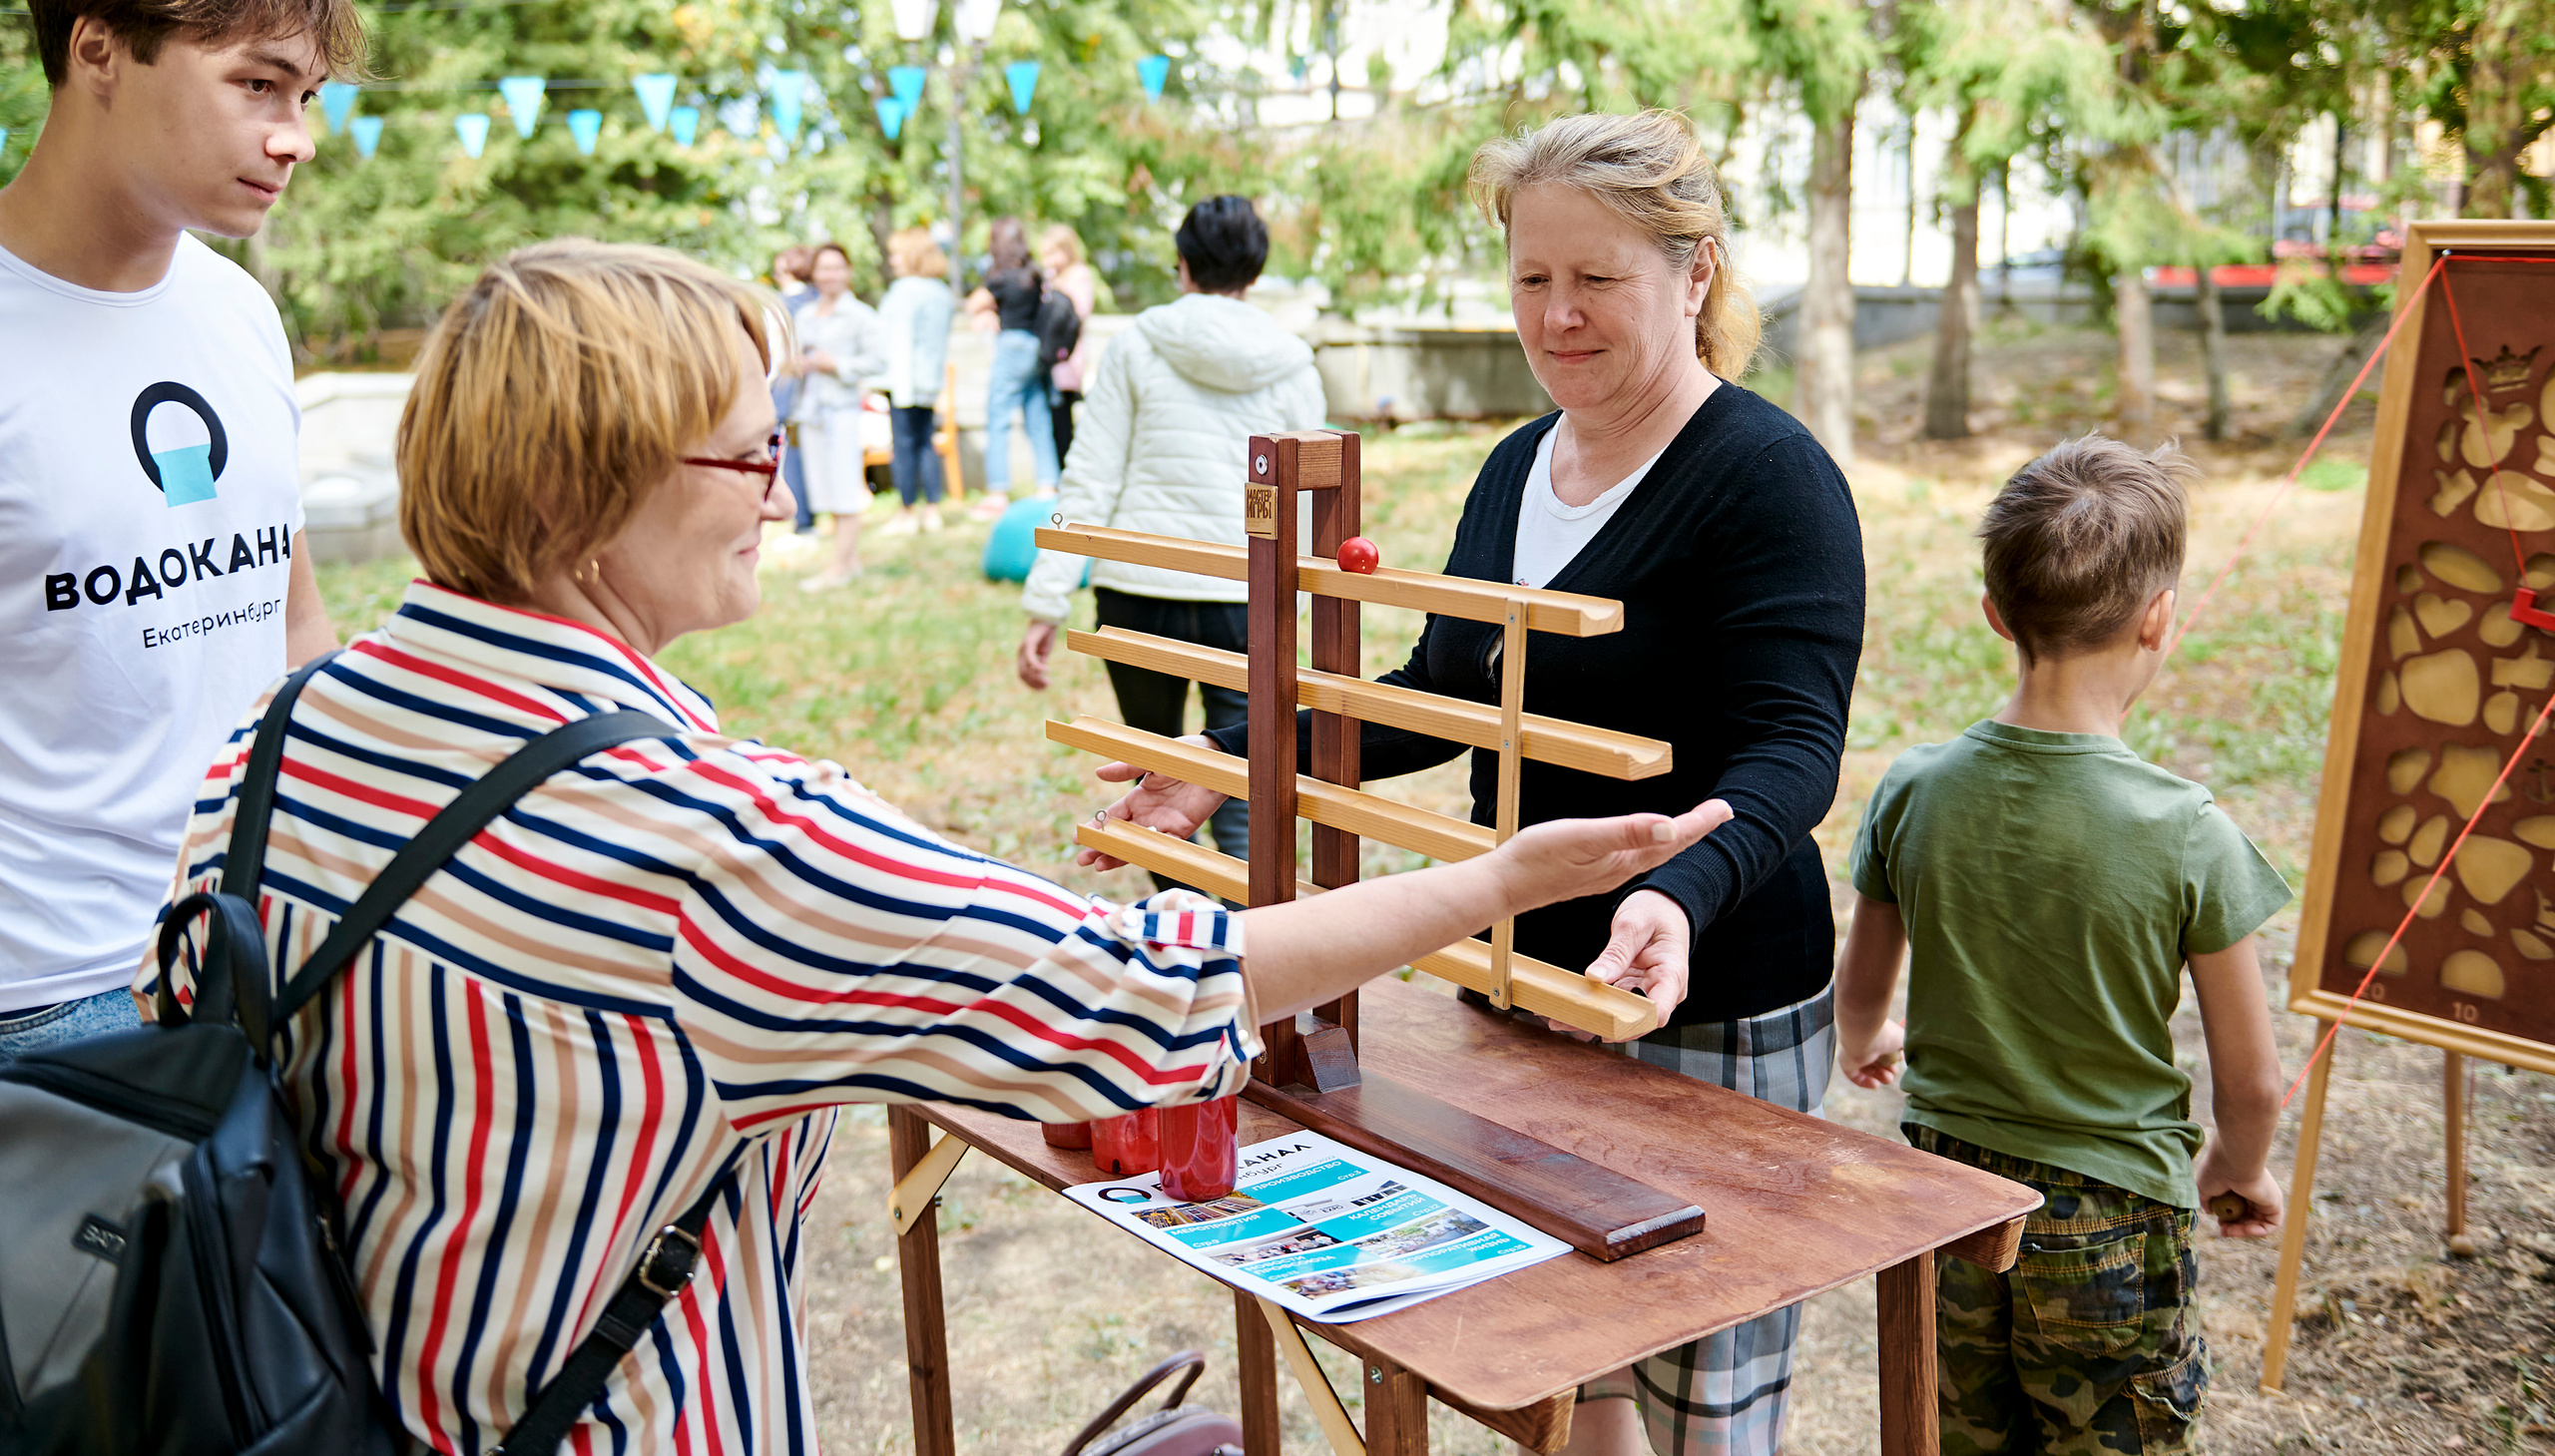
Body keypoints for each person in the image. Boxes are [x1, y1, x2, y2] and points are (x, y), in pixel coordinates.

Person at [141, 237, 1731, 1454]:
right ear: (588, 489)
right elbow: (1144, 992)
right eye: (749, 454)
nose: (782, 496)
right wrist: (1497, 879)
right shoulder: (710, 845)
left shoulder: (281, 743)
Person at [1087, 114, 1866, 1456]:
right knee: (1568, 1361)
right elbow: (1436, 695)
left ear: (1694, 273)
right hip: (1518, 977)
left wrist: (1681, 893)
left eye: (1597, 279)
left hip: (1704, 988)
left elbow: (1794, 751)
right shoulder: (1516, 467)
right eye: (1531, 278)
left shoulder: (1768, 477)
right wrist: (1225, 757)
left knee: (1704, 1385)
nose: (1557, 316)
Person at [1832, 436, 2289, 1456]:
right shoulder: (2187, 829)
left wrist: (1868, 1039)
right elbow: (2253, 1082)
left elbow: (1858, 988)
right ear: (2158, 618)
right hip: (2110, 1217)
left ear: (1995, 614)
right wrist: (2236, 1165)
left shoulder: (1913, 788)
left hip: (1946, 1202)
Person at [0, 0, 346, 1068]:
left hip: (254, 950)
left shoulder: (237, 310)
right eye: (257, 83)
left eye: (305, 95)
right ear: (99, 48)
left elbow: (291, 620)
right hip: (50, 1007)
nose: (296, 138)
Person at [1017, 196, 1323, 880]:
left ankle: (1186, 930)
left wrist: (1047, 599)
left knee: (1155, 784)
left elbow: (1087, 479)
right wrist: (1293, 605)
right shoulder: (1291, 362)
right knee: (1242, 784)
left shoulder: (1135, 344)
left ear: (1182, 264)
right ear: (1256, 269)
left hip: (1138, 590)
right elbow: (1304, 494)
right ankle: (1252, 935)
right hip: (1245, 597)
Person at [791, 242, 879, 590]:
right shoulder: (804, 315)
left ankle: (838, 568)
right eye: (823, 268)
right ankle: (849, 560)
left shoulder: (860, 315)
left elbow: (878, 361)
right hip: (810, 411)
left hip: (842, 411)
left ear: (848, 271)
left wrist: (837, 365)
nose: (829, 275)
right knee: (824, 488)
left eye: (836, 267)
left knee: (844, 487)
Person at [967, 215, 1057, 514]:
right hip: (1035, 347)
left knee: (998, 418)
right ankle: (1048, 487)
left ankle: (997, 492)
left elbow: (972, 304)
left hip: (1010, 347)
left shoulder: (999, 277)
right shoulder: (1034, 274)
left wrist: (988, 312)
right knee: (1037, 417)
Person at [873, 226, 956, 538]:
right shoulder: (941, 293)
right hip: (928, 382)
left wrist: (899, 388)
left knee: (904, 447)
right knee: (925, 444)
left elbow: (900, 340)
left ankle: (906, 512)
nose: (892, 260)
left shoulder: (904, 291)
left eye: (896, 254)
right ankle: (932, 510)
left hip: (904, 382)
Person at [767, 243, 819, 535]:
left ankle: (803, 521)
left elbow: (773, 352)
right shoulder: (819, 300)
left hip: (785, 387)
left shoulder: (778, 304)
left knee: (788, 453)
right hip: (817, 387)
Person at [1040, 222, 1101, 461]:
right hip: (1047, 359)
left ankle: (1067, 466)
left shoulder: (1078, 276)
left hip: (1067, 356)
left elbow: (1078, 312)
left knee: (1063, 419)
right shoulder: (1049, 278)